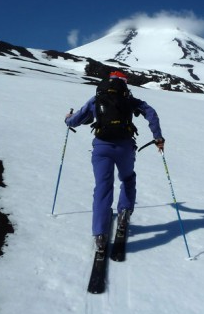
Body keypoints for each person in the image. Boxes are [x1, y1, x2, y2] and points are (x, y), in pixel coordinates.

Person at [65, 71, 165, 252]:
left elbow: (75, 121)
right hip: (125, 147)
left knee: (103, 187)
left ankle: (100, 234)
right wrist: (158, 137)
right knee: (127, 178)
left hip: (102, 148)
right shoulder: (129, 99)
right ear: (124, 83)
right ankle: (124, 212)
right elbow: (151, 113)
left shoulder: (96, 99)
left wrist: (68, 119)